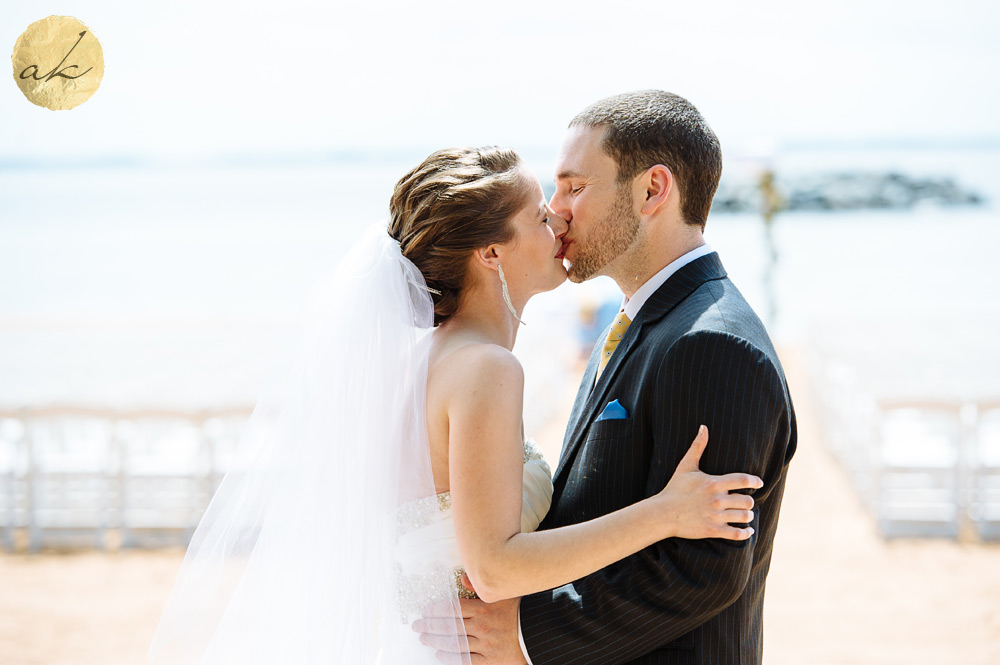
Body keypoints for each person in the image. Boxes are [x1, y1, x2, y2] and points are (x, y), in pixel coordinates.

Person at [147, 145, 764, 665]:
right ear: (491, 253)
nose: (558, 219)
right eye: (537, 215)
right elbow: (493, 567)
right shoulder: (487, 369)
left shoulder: (427, 358)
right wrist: (665, 514)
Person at [415, 91, 797, 665]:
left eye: (574, 187)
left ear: (652, 191)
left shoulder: (713, 343)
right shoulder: (634, 323)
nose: (557, 209)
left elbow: (702, 570)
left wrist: (525, 635)